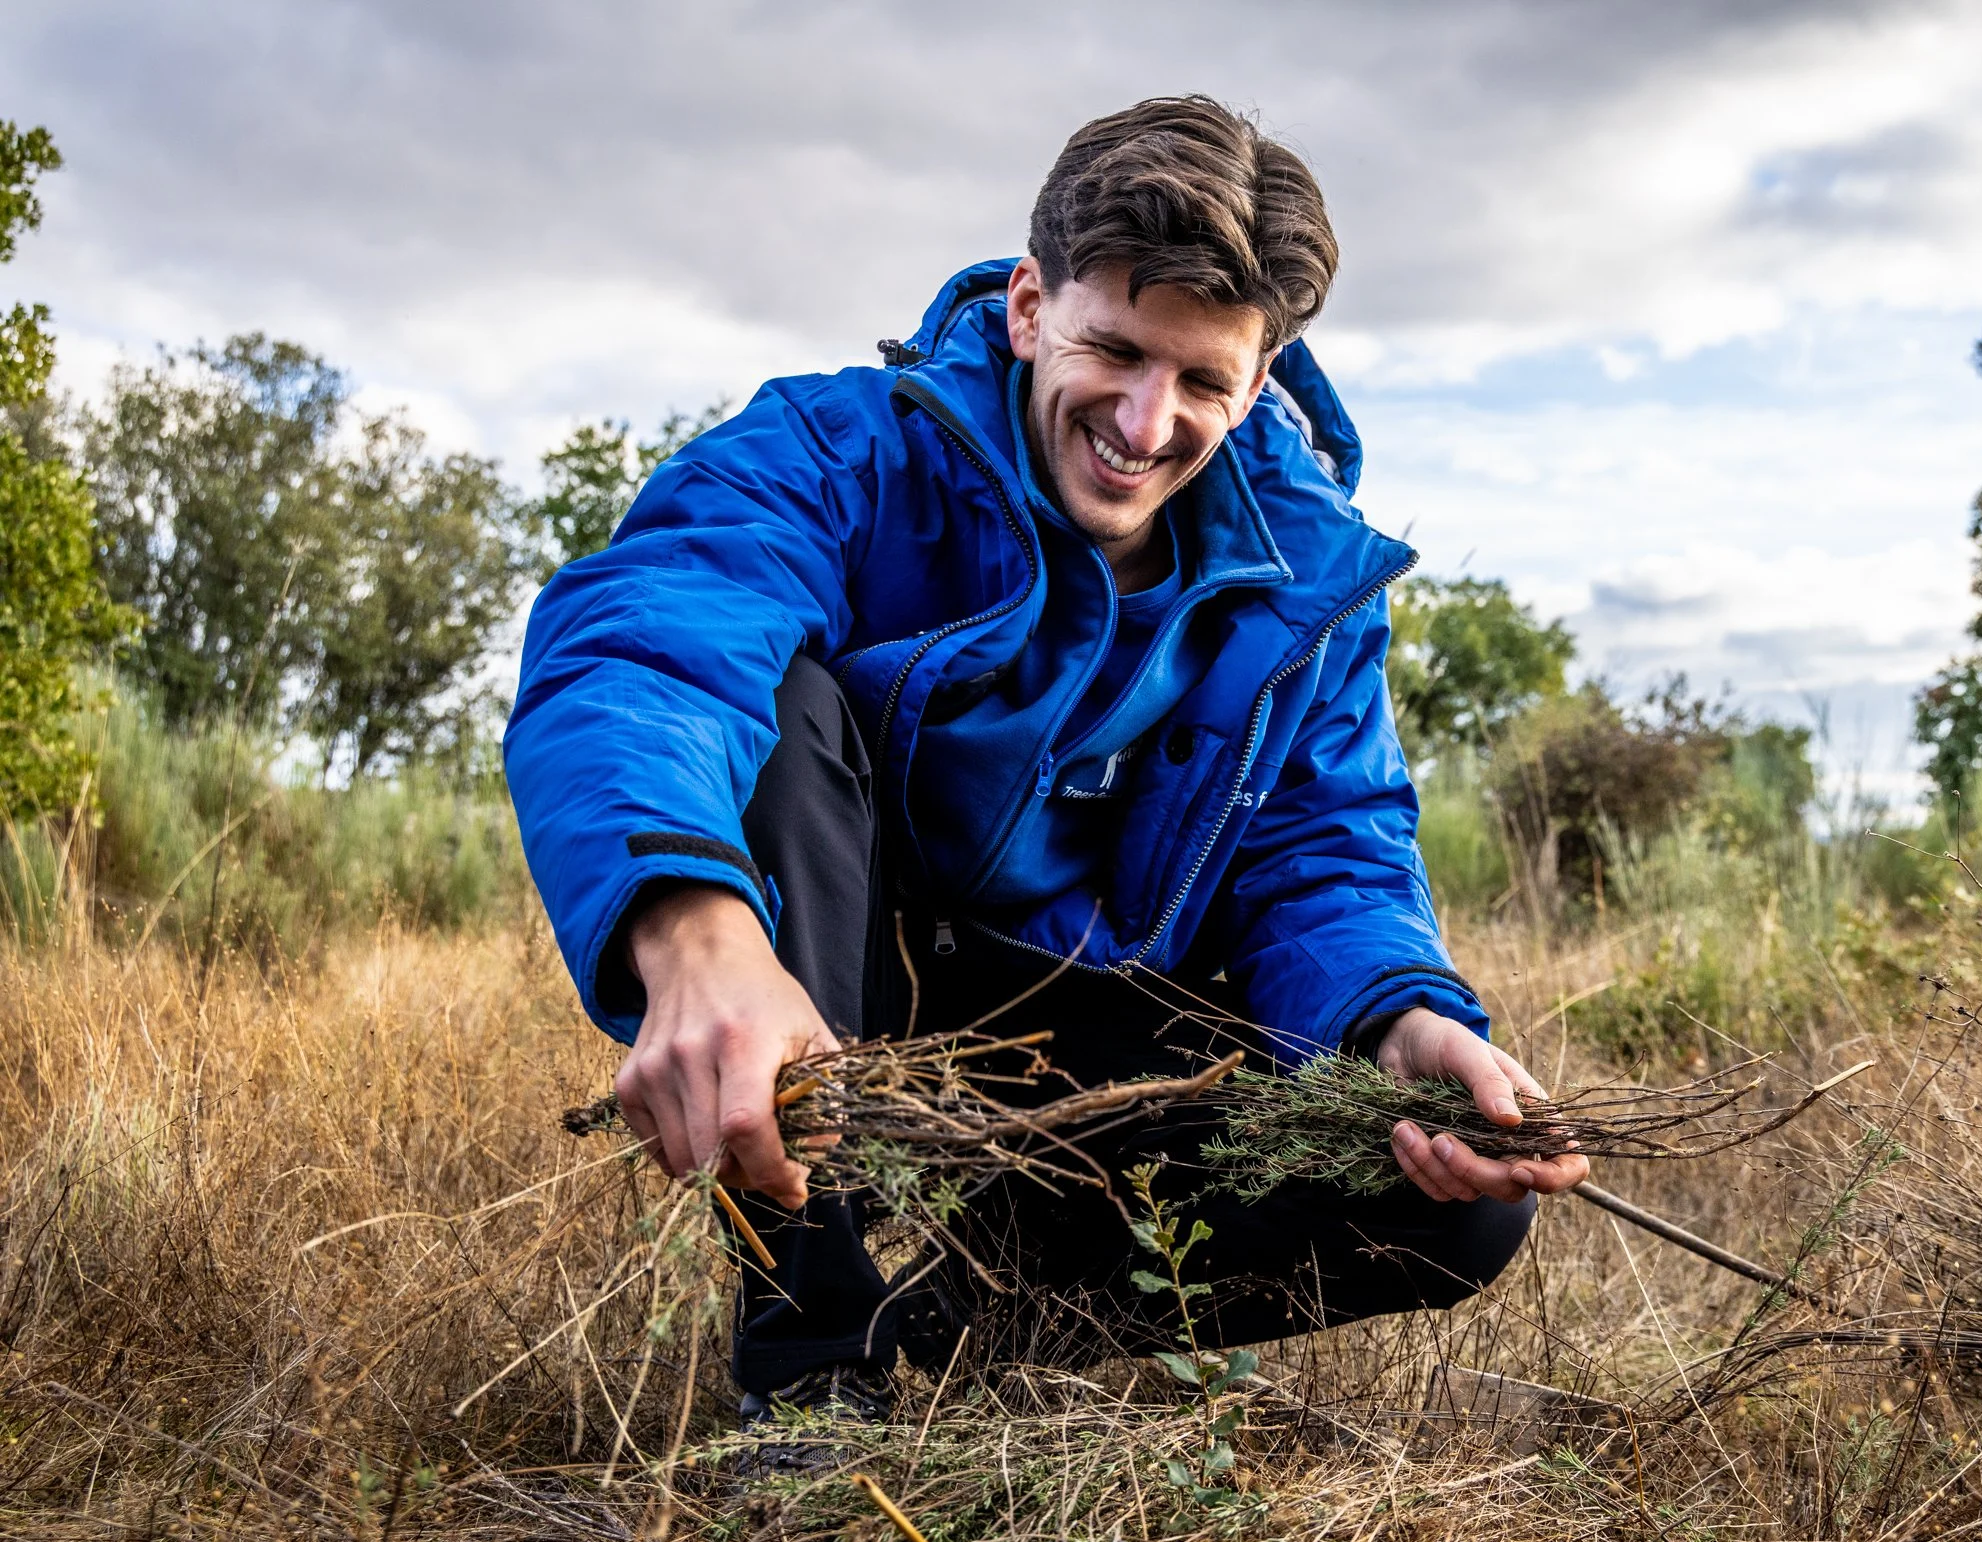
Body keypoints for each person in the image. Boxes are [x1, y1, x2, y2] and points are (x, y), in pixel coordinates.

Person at [505, 95, 1590, 1427]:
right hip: (856, 1006)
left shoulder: (1316, 584)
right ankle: (819, 1364)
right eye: (1115, 351)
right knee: (780, 714)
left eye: (1203, 382)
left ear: (1258, 385)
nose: (1145, 424)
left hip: (1116, 1049)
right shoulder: (833, 452)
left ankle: (972, 1324)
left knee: (1450, 1210)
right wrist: (697, 937)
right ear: (1030, 306)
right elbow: (644, 648)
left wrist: (1396, 1017)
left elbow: (1325, 849)